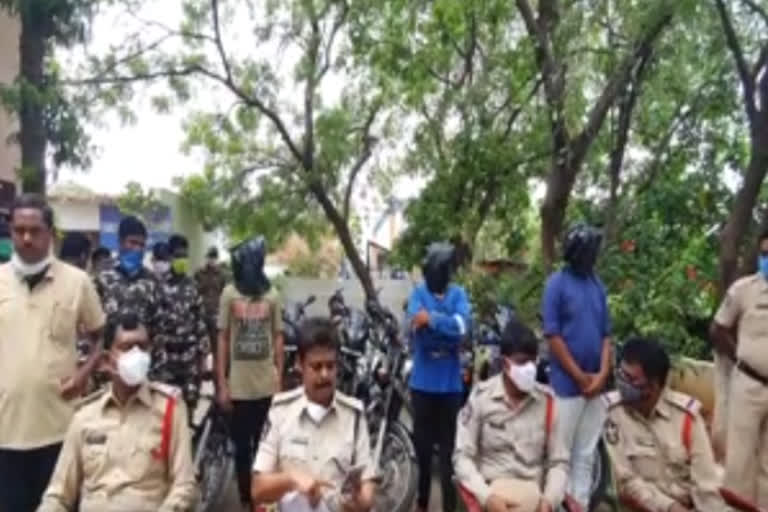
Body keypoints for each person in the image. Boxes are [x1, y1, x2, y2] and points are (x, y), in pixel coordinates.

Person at [0, 194, 106, 512]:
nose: (27, 238)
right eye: (19, 230)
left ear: (50, 234)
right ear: (10, 232)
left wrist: (84, 373)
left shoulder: (77, 283)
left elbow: (100, 336)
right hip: (5, 432)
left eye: (35, 230)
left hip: (60, 430)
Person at [37, 312, 197, 512]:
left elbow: (184, 486)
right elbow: (59, 494)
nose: (137, 355)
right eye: (127, 347)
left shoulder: (169, 410)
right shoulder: (85, 417)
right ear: (105, 360)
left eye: (143, 347)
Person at [252, 316, 376, 512]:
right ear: (300, 365)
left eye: (330, 366)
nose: (325, 375)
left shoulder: (354, 416)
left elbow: (367, 493)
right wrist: (291, 479)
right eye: (316, 367)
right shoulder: (280, 412)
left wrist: (357, 502)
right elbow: (258, 489)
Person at [454, 319, 568, 512]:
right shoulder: (482, 398)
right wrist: (487, 497)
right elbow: (462, 457)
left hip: (534, 497)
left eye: (533, 361)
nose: (530, 369)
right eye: (522, 362)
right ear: (505, 363)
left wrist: (549, 501)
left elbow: (559, 463)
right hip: (490, 494)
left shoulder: (547, 403)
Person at [603, 337, 725, 512]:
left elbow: (705, 484)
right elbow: (624, 482)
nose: (622, 383)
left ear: (653, 386)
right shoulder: (610, 414)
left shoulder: (685, 417)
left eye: (630, 379)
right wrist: (670, 507)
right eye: (621, 374)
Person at [541, 223, 612, 509]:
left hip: (595, 387)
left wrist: (603, 373)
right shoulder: (556, 284)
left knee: (585, 455)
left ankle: (580, 504)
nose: (593, 258)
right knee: (561, 455)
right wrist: (579, 376)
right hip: (567, 386)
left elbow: (606, 334)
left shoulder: (597, 286)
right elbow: (553, 335)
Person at [216, 237, 285, 508]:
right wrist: (222, 383)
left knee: (267, 450)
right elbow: (222, 338)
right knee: (243, 451)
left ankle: (264, 502)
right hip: (239, 388)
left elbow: (278, 337)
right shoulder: (229, 293)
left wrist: (279, 379)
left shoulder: (272, 296)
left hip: (266, 387)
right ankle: (246, 500)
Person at [407, 242, 472, 512]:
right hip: (422, 387)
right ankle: (422, 503)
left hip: (449, 389)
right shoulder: (418, 293)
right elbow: (414, 329)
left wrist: (431, 320)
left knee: (448, 456)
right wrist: (446, 327)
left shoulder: (458, 294)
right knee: (422, 453)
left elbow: (462, 328)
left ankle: (448, 506)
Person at [711, 228, 768, 506]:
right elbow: (718, 329)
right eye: (764, 254)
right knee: (739, 460)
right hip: (748, 385)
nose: (766, 260)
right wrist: (740, 358)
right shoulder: (743, 290)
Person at [152, 234, 210, 418]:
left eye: (185, 255)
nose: (182, 260)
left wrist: (202, 361)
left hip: (189, 361)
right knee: (164, 410)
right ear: (170, 257)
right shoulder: (157, 286)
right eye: (178, 255)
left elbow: (200, 322)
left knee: (188, 407)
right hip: (166, 360)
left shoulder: (192, 286)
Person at [93, 215, 163, 355]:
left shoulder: (152, 282)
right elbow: (91, 327)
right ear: (120, 242)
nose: (137, 249)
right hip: (109, 364)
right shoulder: (102, 279)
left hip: (142, 365)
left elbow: (158, 329)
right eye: (132, 242)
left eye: (141, 245)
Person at [195, 246, 228, 355]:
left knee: (216, 346)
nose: (212, 260)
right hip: (202, 313)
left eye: (214, 257)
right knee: (201, 345)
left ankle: (215, 369)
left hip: (216, 313)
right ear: (207, 258)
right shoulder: (199, 273)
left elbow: (225, 294)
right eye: (210, 257)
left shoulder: (222, 274)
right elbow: (194, 291)